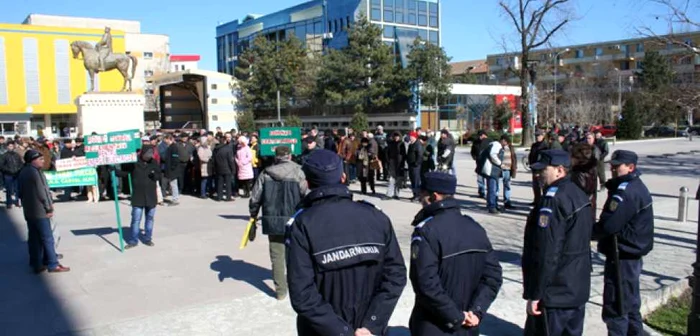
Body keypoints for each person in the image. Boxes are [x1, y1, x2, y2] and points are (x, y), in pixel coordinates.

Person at [286, 149, 407, 336]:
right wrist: (371, 324)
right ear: (343, 177)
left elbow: (302, 294)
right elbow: (396, 276)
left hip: (325, 331)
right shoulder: (376, 216)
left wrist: (346, 331)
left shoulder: (302, 224)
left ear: (308, 183)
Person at [409, 172, 502, 336]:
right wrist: (476, 311)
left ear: (434, 196)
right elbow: (493, 276)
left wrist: (456, 317)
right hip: (468, 326)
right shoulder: (475, 228)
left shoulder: (427, 231)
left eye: (422, 194)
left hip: (434, 325)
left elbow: (425, 283)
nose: (419, 198)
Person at [522, 149, 594, 336]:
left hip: (555, 292)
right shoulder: (578, 193)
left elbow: (547, 251)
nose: (537, 175)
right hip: (576, 288)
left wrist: (536, 294)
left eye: (542, 170)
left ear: (559, 170)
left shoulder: (552, 200)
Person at [594, 150, 654, 336]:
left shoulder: (626, 191)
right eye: (611, 166)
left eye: (617, 166)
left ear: (630, 167)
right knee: (630, 303)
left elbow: (608, 224)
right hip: (629, 255)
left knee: (617, 306)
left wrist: (585, 233)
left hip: (623, 255)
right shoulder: (634, 186)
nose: (612, 169)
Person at [249, 146, 307, 300]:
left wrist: (253, 216)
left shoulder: (265, 173)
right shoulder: (298, 172)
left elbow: (255, 198)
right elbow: (306, 195)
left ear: (276, 157)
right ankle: (297, 289)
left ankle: (280, 291)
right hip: (294, 220)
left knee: (277, 257)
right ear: (290, 156)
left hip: (272, 220)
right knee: (296, 256)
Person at [18, 150, 70, 273]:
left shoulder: (23, 172)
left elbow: (20, 192)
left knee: (34, 238)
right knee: (47, 238)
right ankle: (52, 263)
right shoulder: (35, 173)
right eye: (40, 159)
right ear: (32, 160)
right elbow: (42, 193)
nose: (43, 161)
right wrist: (48, 207)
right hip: (40, 211)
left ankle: (36, 263)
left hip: (29, 211)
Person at [116, 146, 161, 249]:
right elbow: (125, 173)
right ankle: (133, 240)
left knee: (150, 218)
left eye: (150, 155)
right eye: (147, 155)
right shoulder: (135, 162)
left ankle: (148, 238)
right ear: (143, 154)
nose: (149, 157)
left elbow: (159, 176)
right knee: (136, 219)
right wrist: (114, 170)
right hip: (138, 196)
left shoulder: (153, 162)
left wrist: (154, 175)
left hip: (151, 196)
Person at [478, 135, 508, 214]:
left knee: (494, 189)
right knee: (492, 189)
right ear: (503, 140)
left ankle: (494, 204)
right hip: (491, 170)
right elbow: (492, 154)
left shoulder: (494, 144)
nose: (506, 144)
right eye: (506, 142)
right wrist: (500, 163)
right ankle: (492, 206)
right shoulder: (496, 145)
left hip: (493, 170)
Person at [528, 130, 549, 205]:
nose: (537, 137)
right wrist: (531, 164)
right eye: (536, 136)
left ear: (542, 136)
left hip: (541, 168)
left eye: (539, 135)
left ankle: (543, 202)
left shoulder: (545, 145)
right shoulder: (534, 145)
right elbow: (531, 155)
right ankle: (536, 201)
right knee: (535, 186)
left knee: (543, 186)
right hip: (534, 168)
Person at [1, 141, 24, 209]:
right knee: (9, 189)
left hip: (17, 174)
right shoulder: (4, 155)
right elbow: (2, 166)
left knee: (17, 189)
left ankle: (17, 202)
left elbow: (21, 163)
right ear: (7, 147)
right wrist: (8, 170)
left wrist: (19, 169)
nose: (11, 147)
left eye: (12, 146)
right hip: (8, 175)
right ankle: (9, 203)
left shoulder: (16, 155)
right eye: (10, 146)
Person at [213, 135, 235, 202]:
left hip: (219, 168)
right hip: (227, 168)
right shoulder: (228, 149)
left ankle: (219, 197)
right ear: (225, 141)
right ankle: (228, 197)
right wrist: (233, 169)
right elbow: (230, 160)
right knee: (228, 183)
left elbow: (214, 159)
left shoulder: (216, 149)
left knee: (220, 183)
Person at [385, 132, 406, 200]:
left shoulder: (402, 144)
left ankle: (396, 194)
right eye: (395, 136)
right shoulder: (391, 143)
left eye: (397, 136)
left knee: (398, 180)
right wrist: (388, 160)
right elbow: (387, 152)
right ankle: (389, 194)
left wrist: (402, 163)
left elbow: (404, 154)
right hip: (392, 162)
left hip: (399, 163)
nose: (396, 138)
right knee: (391, 179)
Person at [163, 134, 182, 205]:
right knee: (172, 184)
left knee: (173, 184)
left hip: (172, 170)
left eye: (165, 139)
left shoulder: (173, 147)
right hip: (171, 169)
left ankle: (175, 199)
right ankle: (175, 198)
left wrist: (172, 168)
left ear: (168, 139)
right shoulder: (170, 147)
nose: (164, 141)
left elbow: (175, 159)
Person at [500, 135, 517, 210]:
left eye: (504, 140)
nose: (503, 142)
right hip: (500, 169)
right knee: (497, 186)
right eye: (502, 140)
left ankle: (507, 201)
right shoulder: (499, 147)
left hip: (508, 169)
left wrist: (514, 167)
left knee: (507, 186)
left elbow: (514, 158)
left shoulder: (511, 148)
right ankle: (493, 203)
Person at [470, 130, 489, 198]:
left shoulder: (489, 141)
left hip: (487, 163)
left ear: (484, 135)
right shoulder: (476, 142)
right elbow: (472, 151)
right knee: (480, 179)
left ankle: (489, 193)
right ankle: (481, 192)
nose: (480, 137)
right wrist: (474, 157)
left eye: (481, 135)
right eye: (479, 136)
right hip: (479, 162)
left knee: (488, 179)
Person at [406, 131, 424, 202]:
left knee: (416, 181)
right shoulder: (411, 144)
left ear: (414, 137)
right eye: (409, 136)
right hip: (410, 165)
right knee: (412, 180)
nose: (410, 138)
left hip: (415, 166)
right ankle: (414, 194)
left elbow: (420, 155)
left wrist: (417, 163)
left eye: (411, 136)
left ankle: (418, 195)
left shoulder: (418, 144)